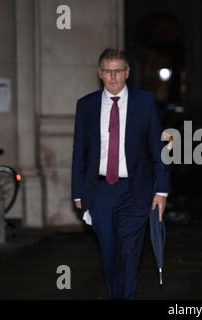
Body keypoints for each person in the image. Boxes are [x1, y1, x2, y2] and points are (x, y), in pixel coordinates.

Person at [71, 48, 170, 299]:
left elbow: (157, 148)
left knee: (129, 253)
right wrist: (77, 192)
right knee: (108, 251)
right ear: (100, 74)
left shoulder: (145, 102)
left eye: (117, 71)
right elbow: (79, 153)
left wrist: (162, 190)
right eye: (107, 71)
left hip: (135, 190)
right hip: (100, 190)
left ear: (127, 73)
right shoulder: (86, 105)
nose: (113, 77)